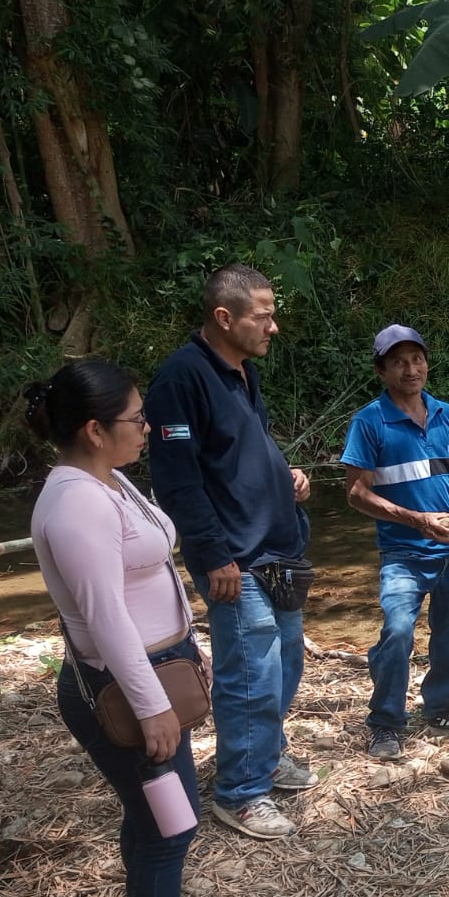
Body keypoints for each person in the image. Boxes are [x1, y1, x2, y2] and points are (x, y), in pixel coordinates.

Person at [26, 361, 242, 897]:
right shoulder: (76, 503)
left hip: (156, 672)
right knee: (168, 825)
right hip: (121, 692)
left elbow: (150, 582)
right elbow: (105, 618)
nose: (148, 427)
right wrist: (152, 707)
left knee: (154, 816)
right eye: (136, 419)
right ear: (95, 430)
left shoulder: (108, 480)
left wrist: (190, 648)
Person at [146, 263, 317, 840]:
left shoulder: (242, 371)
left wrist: (284, 474)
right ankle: (240, 792)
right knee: (250, 673)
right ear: (225, 317)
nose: (273, 327)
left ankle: (264, 755)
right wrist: (212, 554)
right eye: (263, 317)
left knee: (285, 661)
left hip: (277, 546)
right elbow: (177, 481)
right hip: (234, 558)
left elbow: (241, 449)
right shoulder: (181, 379)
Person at [340, 325, 449, 761]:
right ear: (381, 370)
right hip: (402, 552)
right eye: (398, 362)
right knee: (398, 632)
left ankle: (441, 708)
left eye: (416, 359)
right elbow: (356, 493)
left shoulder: (446, 414)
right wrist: (416, 519)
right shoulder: (369, 422)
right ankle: (385, 722)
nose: (411, 369)